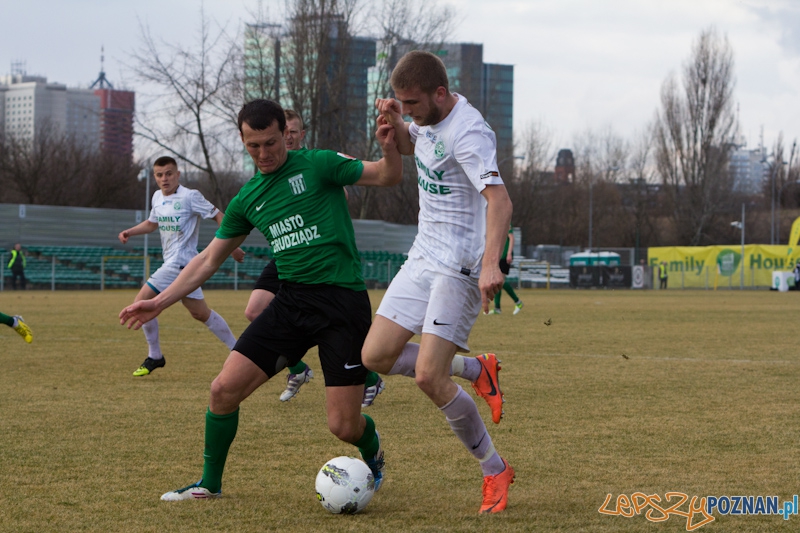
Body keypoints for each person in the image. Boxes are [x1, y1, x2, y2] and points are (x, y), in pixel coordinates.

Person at [119, 99, 403, 501]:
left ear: (283, 133)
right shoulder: (247, 198)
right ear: (243, 140)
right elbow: (207, 259)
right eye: (254, 146)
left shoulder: (319, 164)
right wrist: (159, 300)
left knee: (343, 426)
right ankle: (209, 485)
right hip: (291, 305)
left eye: (271, 143)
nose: (264, 154)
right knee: (222, 390)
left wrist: (390, 147)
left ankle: (372, 451)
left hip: (342, 305)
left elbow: (387, 176)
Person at [367, 50, 515, 514]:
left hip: (461, 267)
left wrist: (492, 263)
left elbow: (500, 201)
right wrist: (397, 131)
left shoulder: (469, 133)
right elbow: (420, 146)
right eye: (399, 101)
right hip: (423, 257)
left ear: (439, 93)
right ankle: (476, 370)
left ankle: (495, 469)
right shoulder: (427, 119)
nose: (406, 108)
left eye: (411, 103)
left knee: (429, 376)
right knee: (375, 355)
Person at [244, 110, 386, 407]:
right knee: (255, 311)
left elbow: (347, 192)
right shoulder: (264, 171)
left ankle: (368, 378)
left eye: (293, 132)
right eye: (286, 133)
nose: (289, 137)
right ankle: (297, 368)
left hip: (320, 258)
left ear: (298, 134)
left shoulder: (316, 162)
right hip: (286, 255)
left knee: (326, 327)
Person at [118, 156, 244, 377]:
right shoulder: (157, 197)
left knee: (141, 302)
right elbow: (151, 224)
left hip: (181, 262)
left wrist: (231, 245)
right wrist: (131, 231)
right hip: (178, 265)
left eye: (169, 173)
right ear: (155, 177)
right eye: (159, 175)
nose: (164, 178)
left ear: (177, 174)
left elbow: (218, 215)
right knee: (200, 313)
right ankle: (239, 350)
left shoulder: (190, 196)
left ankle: (155, 355)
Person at [486, 225, 523, 315]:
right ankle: (497, 308)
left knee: (500, 281)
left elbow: (511, 238)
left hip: (505, 256)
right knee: (498, 282)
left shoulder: (506, 221)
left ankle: (518, 302)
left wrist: (509, 253)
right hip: (499, 256)